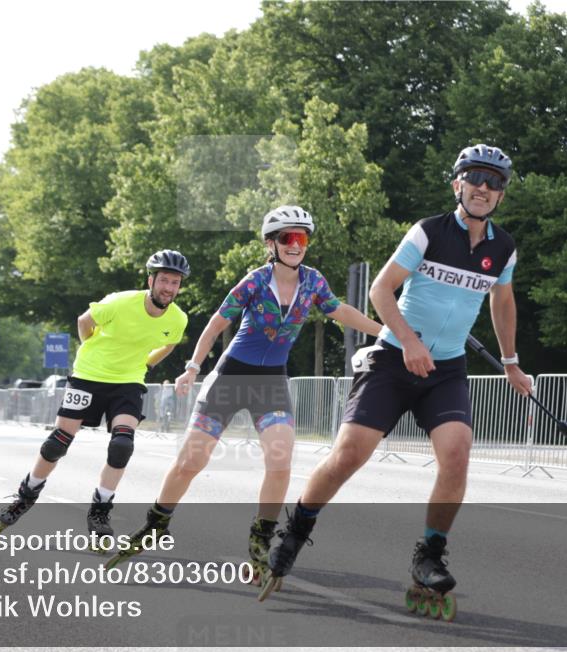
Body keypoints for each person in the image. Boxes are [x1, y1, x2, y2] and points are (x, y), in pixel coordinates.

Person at [261, 145, 533, 614]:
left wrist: (510, 360)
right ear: (458, 184)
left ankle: (429, 555)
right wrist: (407, 341)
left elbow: (502, 303)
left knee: (457, 453)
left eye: (494, 182)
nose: (484, 189)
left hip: (444, 368)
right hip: (393, 358)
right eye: (475, 178)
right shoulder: (428, 232)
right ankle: (296, 529)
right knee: (349, 456)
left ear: (502, 194)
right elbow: (380, 289)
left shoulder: (502, 247)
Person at [108, 205, 382, 583]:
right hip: (231, 377)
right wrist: (192, 367)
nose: (295, 244)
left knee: (281, 459)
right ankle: (156, 523)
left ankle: (260, 540)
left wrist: (386, 332)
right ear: (271, 244)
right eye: (287, 237)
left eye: (301, 238)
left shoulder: (314, 282)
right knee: (191, 462)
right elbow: (216, 323)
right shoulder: (254, 281)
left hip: (272, 382)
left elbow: (341, 311)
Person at [0, 250, 191, 539]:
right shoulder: (119, 302)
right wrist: (91, 351)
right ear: (151, 280)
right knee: (58, 443)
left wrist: (147, 363)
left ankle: (100, 510)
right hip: (88, 376)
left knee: (122, 445)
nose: (169, 288)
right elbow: (83, 322)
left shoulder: (177, 318)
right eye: (164, 280)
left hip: (128, 383)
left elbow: (170, 343)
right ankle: (27, 494)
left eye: (175, 283)